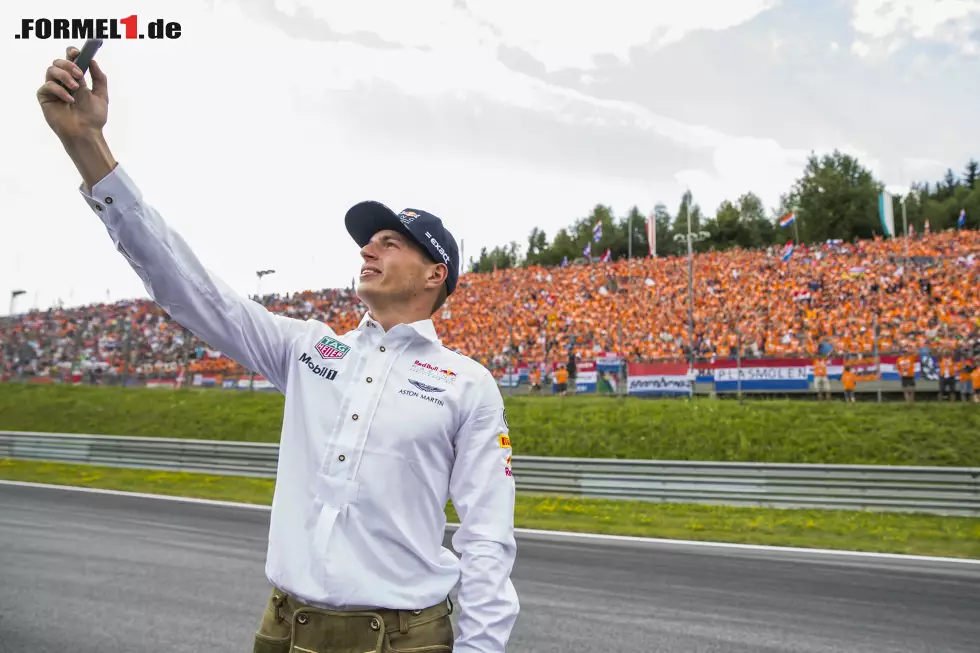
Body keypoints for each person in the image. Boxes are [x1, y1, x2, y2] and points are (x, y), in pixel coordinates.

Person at [37, 46, 519, 653]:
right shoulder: (310, 349)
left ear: (434, 276)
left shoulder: (466, 384)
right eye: (368, 241)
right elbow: (192, 290)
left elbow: (487, 539)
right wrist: (87, 147)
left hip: (406, 639)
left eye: (390, 242)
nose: (368, 249)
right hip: (283, 630)